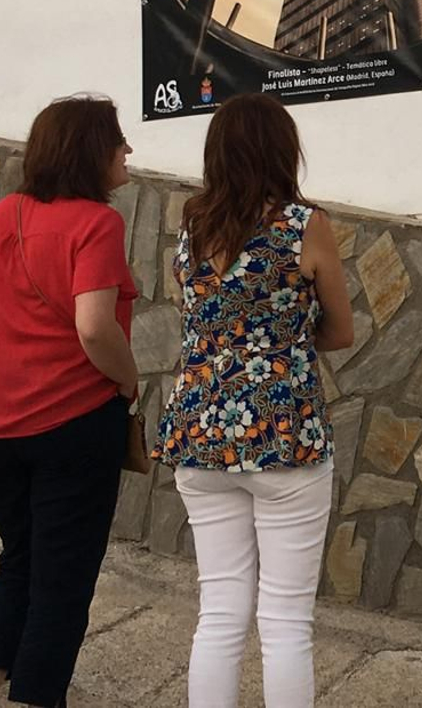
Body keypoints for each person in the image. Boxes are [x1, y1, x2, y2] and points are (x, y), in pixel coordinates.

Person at [154, 92, 354, 708]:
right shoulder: (303, 225)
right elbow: (341, 332)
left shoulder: (189, 228)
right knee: (286, 622)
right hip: (284, 436)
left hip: (200, 435)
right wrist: (286, 342)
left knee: (219, 611)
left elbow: (198, 320)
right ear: (281, 152)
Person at [0, 95, 140, 708]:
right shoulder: (98, 223)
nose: (127, 151)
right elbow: (94, 326)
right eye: (117, 141)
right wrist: (129, 379)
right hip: (72, 427)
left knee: (19, 564)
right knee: (61, 584)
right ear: (91, 152)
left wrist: (19, 350)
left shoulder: (2, 214)